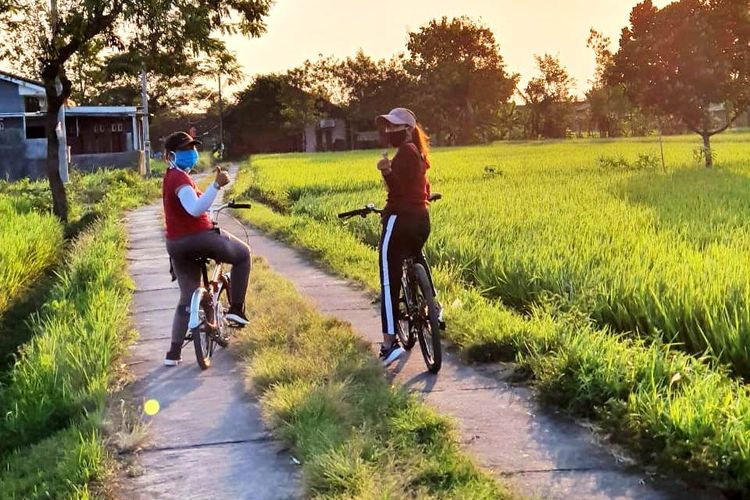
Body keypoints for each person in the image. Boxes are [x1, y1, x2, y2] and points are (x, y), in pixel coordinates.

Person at [161, 131, 251, 366]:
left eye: (192, 148)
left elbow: (194, 209)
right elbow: (194, 208)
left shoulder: (173, 177)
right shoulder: (179, 179)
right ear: (170, 155)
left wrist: (212, 195)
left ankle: (173, 353)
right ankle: (236, 310)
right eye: (184, 150)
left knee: (187, 297)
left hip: (176, 244)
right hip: (198, 238)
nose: (191, 153)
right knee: (243, 255)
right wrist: (215, 186)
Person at [374, 108, 438, 367]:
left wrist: (386, 171)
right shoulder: (419, 154)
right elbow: (422, 187)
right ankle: (433, 305)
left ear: (409, 129)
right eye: (387, 127)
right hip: (421, 220)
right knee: (416, 257)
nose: (390, 132)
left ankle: (390, 344)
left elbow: (398, 189)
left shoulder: (404, 154)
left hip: (398, 221)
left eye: (395, 127)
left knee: (389, 282)